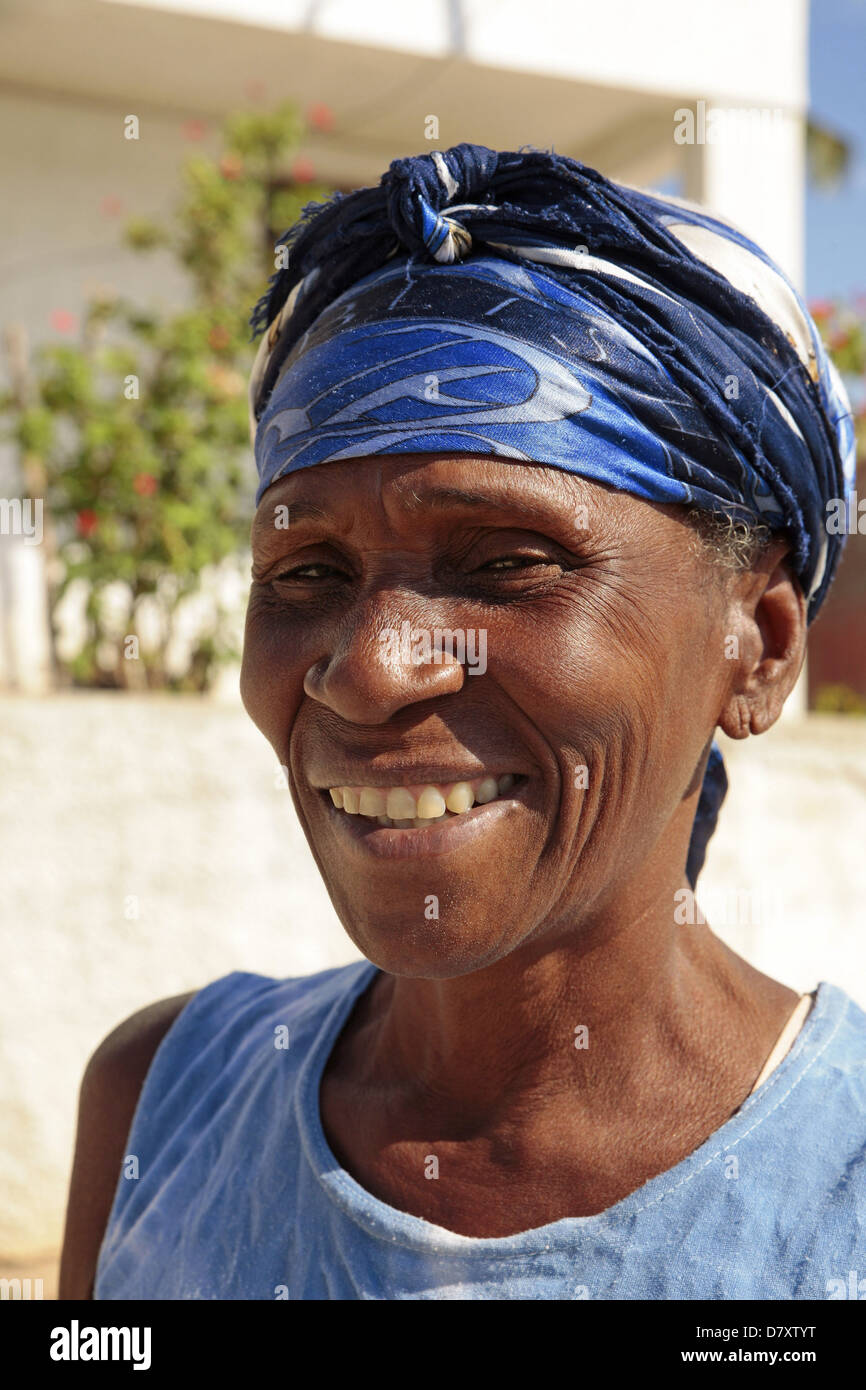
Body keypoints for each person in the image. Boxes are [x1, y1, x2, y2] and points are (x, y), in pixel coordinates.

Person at [61, 143, 865, 1300]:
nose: (368, 669)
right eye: (305, 571)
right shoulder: (160, 1100)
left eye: (504, 562)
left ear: (761, 643)